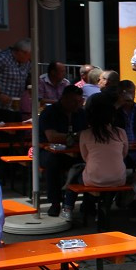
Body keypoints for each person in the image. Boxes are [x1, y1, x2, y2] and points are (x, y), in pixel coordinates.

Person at [61, 92, 129, 223]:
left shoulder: (86, 134)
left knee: (74, 176)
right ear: (112, 117)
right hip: (118, 179)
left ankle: (67, 208)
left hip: (94, 178)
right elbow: (124, 154)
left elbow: (85, 157)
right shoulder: (121, 132)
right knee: (106, 180)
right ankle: (102, 209)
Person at [38, 86, 87, 217]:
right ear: (64, 99)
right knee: (52, 162)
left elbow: (88, 133)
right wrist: (77, 135)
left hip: (75, 151)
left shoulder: (81, 113)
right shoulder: (49, 112)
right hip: (48, 151)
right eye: (73, 101)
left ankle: (84, 203)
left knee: (90, 161)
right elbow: (52, 137)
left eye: (79, 101)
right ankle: (55, 203)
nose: (77, 104)